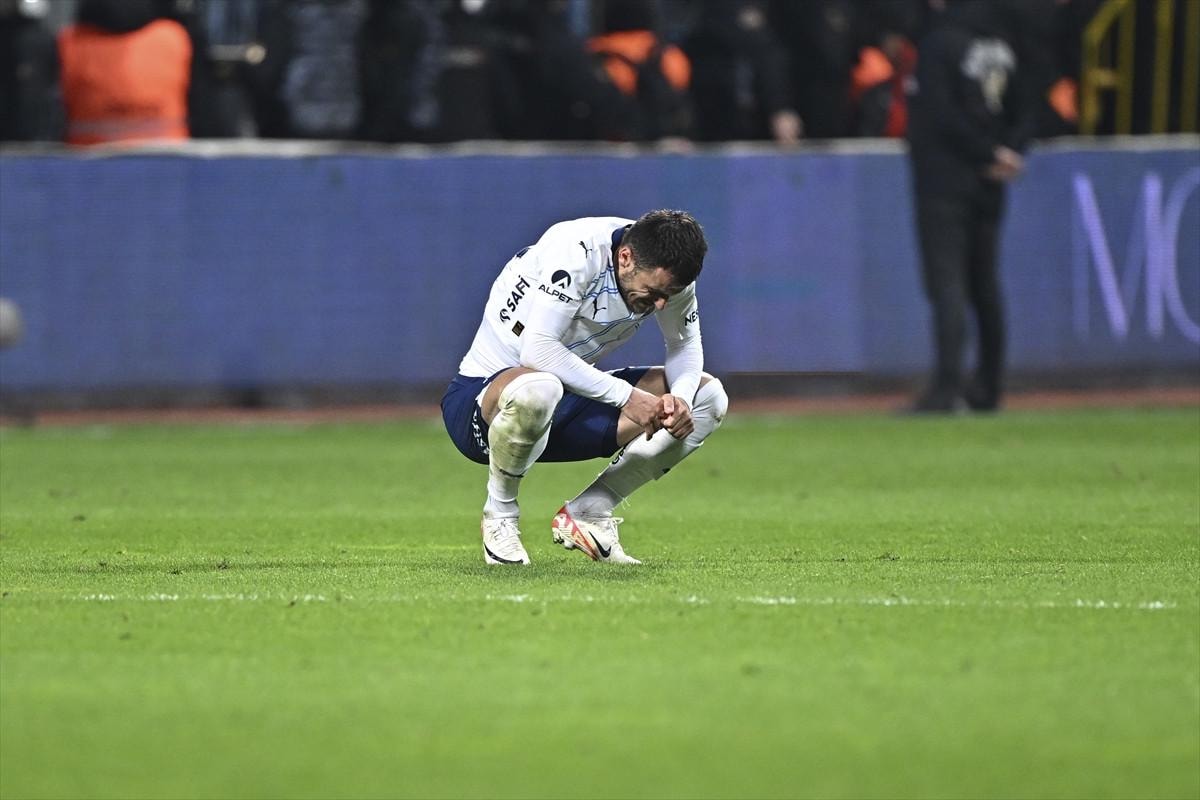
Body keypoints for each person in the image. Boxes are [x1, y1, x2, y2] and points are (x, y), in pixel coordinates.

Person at [441, 210, 728, 565]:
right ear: (625, 258)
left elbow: (684, 345)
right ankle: (500, 515)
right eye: (655, 292)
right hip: (483, 408)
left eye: (670, 294)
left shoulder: (667, 274)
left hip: (567, 408)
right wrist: (628, 397)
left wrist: (680, 400)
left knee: (707, 397)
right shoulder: (577, 250)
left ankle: (590, 511)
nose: (660, 305)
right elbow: (538, 350)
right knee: (539, 388)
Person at [905, 0, 1037, 412]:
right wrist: (1009, 152)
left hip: (945, 181)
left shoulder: (939, 43)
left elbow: (940, 115)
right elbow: (1028, 106)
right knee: (985, 286)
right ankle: (988, 387)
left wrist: (986, 152)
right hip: (991, 183)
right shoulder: (1005, 41)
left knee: (948, 284)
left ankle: (946, 389)